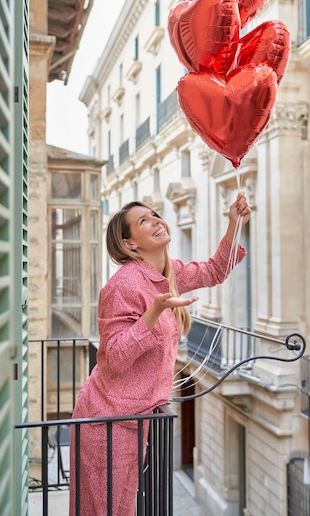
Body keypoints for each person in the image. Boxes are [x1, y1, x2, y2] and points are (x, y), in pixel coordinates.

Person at [69, 191, 251, 516]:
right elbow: (113, 357)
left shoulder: (169, 274)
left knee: (122, 508)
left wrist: (234, 225)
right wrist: (152, 313)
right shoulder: (122, 287)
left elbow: (213, 270)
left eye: (154, 214)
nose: (156, 219)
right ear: (130, 244)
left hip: (134, 420)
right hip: (107, 423)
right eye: (143, 220)